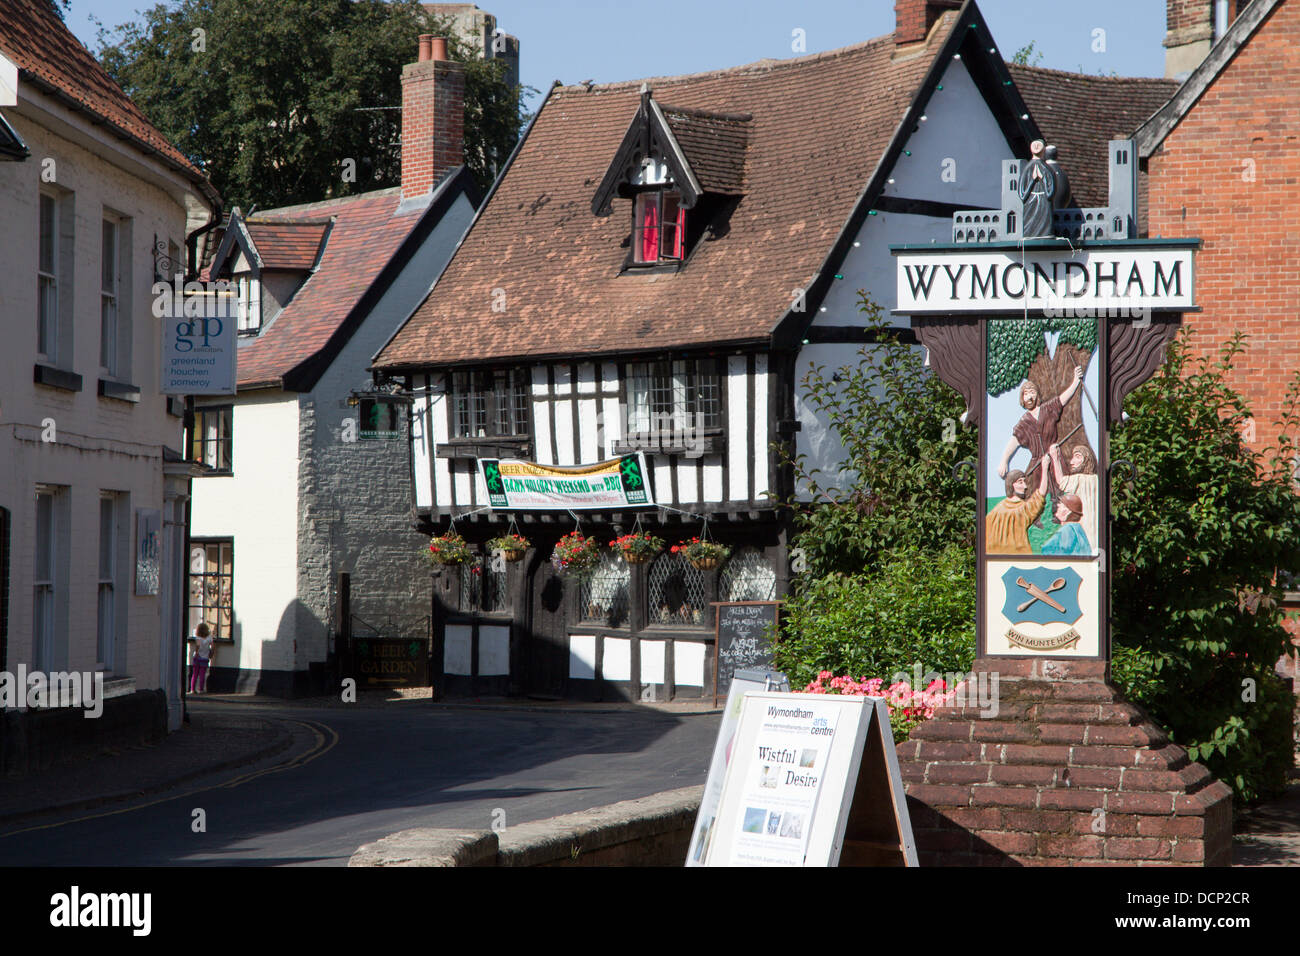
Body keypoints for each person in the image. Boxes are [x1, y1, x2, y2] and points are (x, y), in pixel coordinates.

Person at [986, 453, 1050, 554]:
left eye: (1024, 482)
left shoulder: (995, 511)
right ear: (1011, 485)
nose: (1025, 486)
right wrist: (1045, 467)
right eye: (1020, 482)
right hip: (1019, 557)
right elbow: (1041, 494)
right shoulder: (1022, 509)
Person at [1048, 442, 1099, 551]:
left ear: (1086, 460)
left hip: (1085, 530)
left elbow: (1061, 481)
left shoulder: (1080, 479)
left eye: (1077, 457)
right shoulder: (1097, 479)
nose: (1072, 462)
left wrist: (1055, 457)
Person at [189, 622, 214, 694]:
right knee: (202, 674)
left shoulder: (198, 638)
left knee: (195, 674)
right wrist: (211, 654)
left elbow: (198, 646)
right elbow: (213, 647)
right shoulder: (209, 638)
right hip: (205, 658)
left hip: (197, 657)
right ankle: (201, 689)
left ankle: (192, 689)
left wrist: (196, 653)